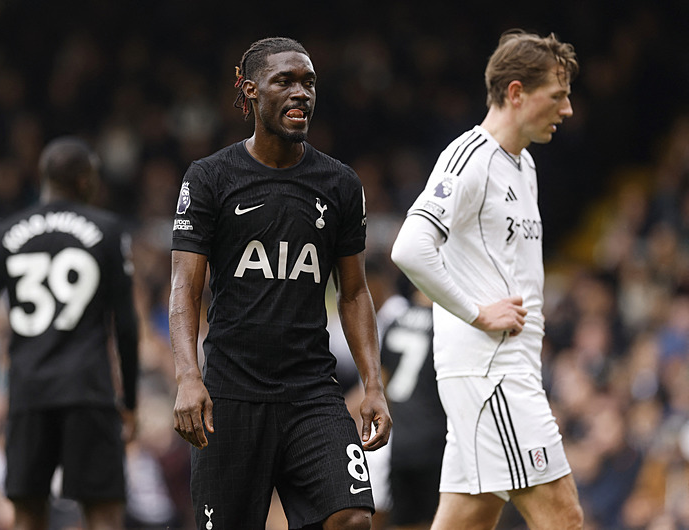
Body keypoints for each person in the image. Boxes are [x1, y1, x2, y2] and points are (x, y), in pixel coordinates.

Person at [169, 36, 392, 530]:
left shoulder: (339, 184)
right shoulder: (209, 177)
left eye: (309, 83)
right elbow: (185, 288)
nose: (302, 93)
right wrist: (188, 375)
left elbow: (354, 292)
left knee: (352, 519)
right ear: (249, 91)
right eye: (285, 81)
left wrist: (373, 384)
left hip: (312, 390)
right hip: (230, 393)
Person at [391, 30, 584, 529]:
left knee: (467, 520)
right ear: (516, 92)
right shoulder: (469, 158)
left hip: (503, 370)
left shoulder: (525, 165)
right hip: (492, 374)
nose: (566, 110)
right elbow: (410, 247)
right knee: (564, 517)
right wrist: (477, 312)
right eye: (557, 96)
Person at [0, 137, 139, 530]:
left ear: (45, 179)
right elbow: (126, 326)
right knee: (103, 512)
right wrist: (129, 401)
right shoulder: (109, 230)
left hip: (30, 393)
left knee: (28, 516)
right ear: (85, 181)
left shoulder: (4, 232)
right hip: (88, 390)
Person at [380, 290, 446, 530]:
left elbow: (382, 383)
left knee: (402, 523)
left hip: (400, 443)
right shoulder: (446, 324)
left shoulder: (395, 321)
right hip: (436, 442)